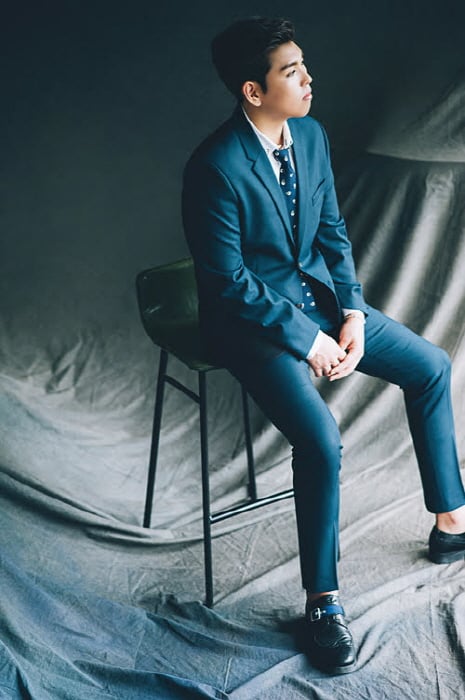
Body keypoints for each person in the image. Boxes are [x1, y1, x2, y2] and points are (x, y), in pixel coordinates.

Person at [181, 16, 465, 674]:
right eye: (291, 71)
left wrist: (353, 313)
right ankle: (322, 603)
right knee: (320, 441)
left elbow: (332, 232)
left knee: (429, 366)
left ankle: (451, 523)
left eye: (304, 65)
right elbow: (227, 283)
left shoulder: (310, 136)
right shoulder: (214, 166)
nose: (308, 79)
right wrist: (306, 340)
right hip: (251, 324)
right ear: (253, 90)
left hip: (323, 304)